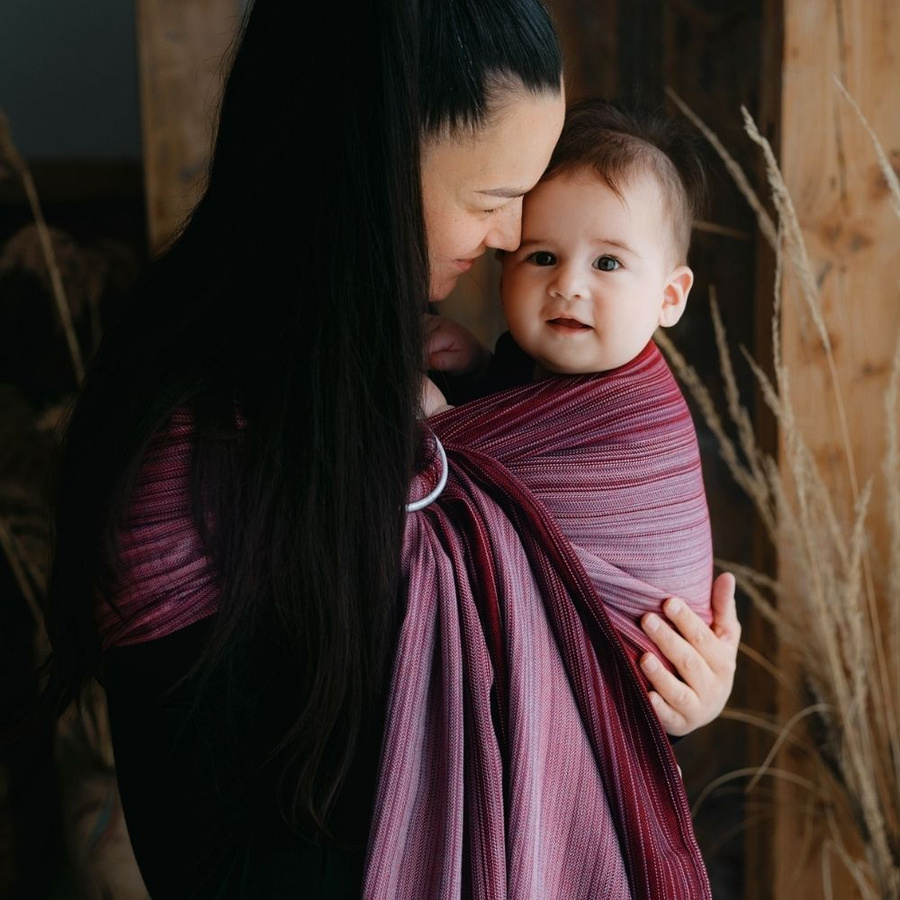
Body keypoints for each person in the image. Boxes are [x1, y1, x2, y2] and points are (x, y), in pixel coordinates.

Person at [37, 2, 740, 898]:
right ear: (367, 161)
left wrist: (660, 682)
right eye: (492, 199)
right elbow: (212, 857)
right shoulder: (194, 451)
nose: (511, 238)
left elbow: (547, 676)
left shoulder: (433, 372)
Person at [426, 97, 725, 733]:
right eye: (541, 257)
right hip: (512, 693)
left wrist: (432, 431)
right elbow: (502, 470)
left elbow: (479, 482)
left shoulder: (638, 424)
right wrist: (475, 374)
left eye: (607, 263)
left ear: (668, 297)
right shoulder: (516, 365)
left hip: (622, 699)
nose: (568, 285)